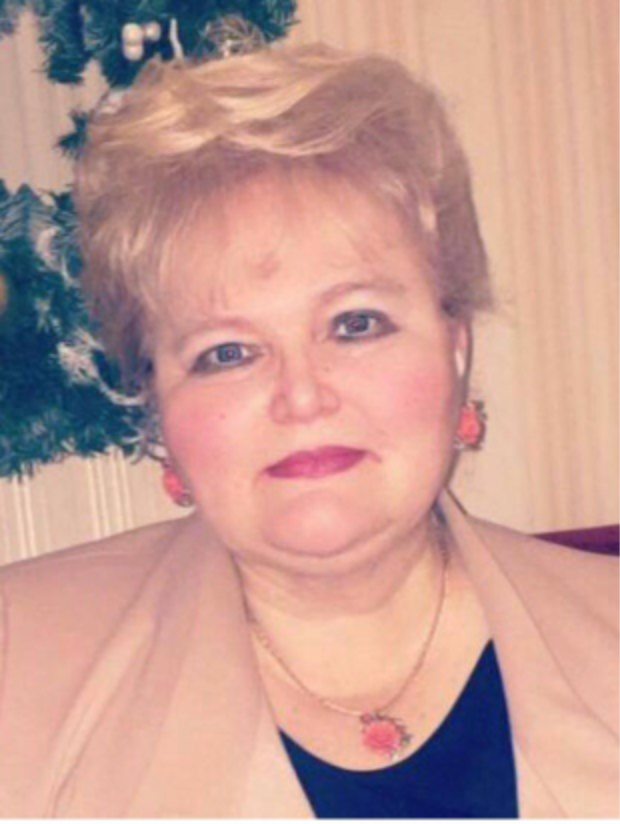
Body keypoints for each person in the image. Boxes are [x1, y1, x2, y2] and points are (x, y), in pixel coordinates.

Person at [0, 33, 618, 819]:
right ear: (157, 405)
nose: (301, 396)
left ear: (455, 347)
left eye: (356, 323)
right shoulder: (18, 661)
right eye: (227, 352)